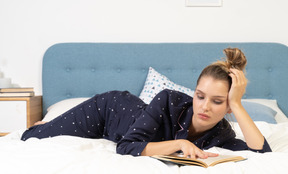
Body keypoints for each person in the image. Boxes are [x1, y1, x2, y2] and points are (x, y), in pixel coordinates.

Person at [21, 48, 272, 159]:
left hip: (121, 124)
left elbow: (262, 152)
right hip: (108, 111)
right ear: (193, 93)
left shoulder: (222, 133)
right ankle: (49, 121)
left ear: (227, 106)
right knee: (32, 135)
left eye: (218, 102)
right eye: (200, 96)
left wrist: (237, 105)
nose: (205, 107)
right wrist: (180, 143)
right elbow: (126, 147)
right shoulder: (169, 99)